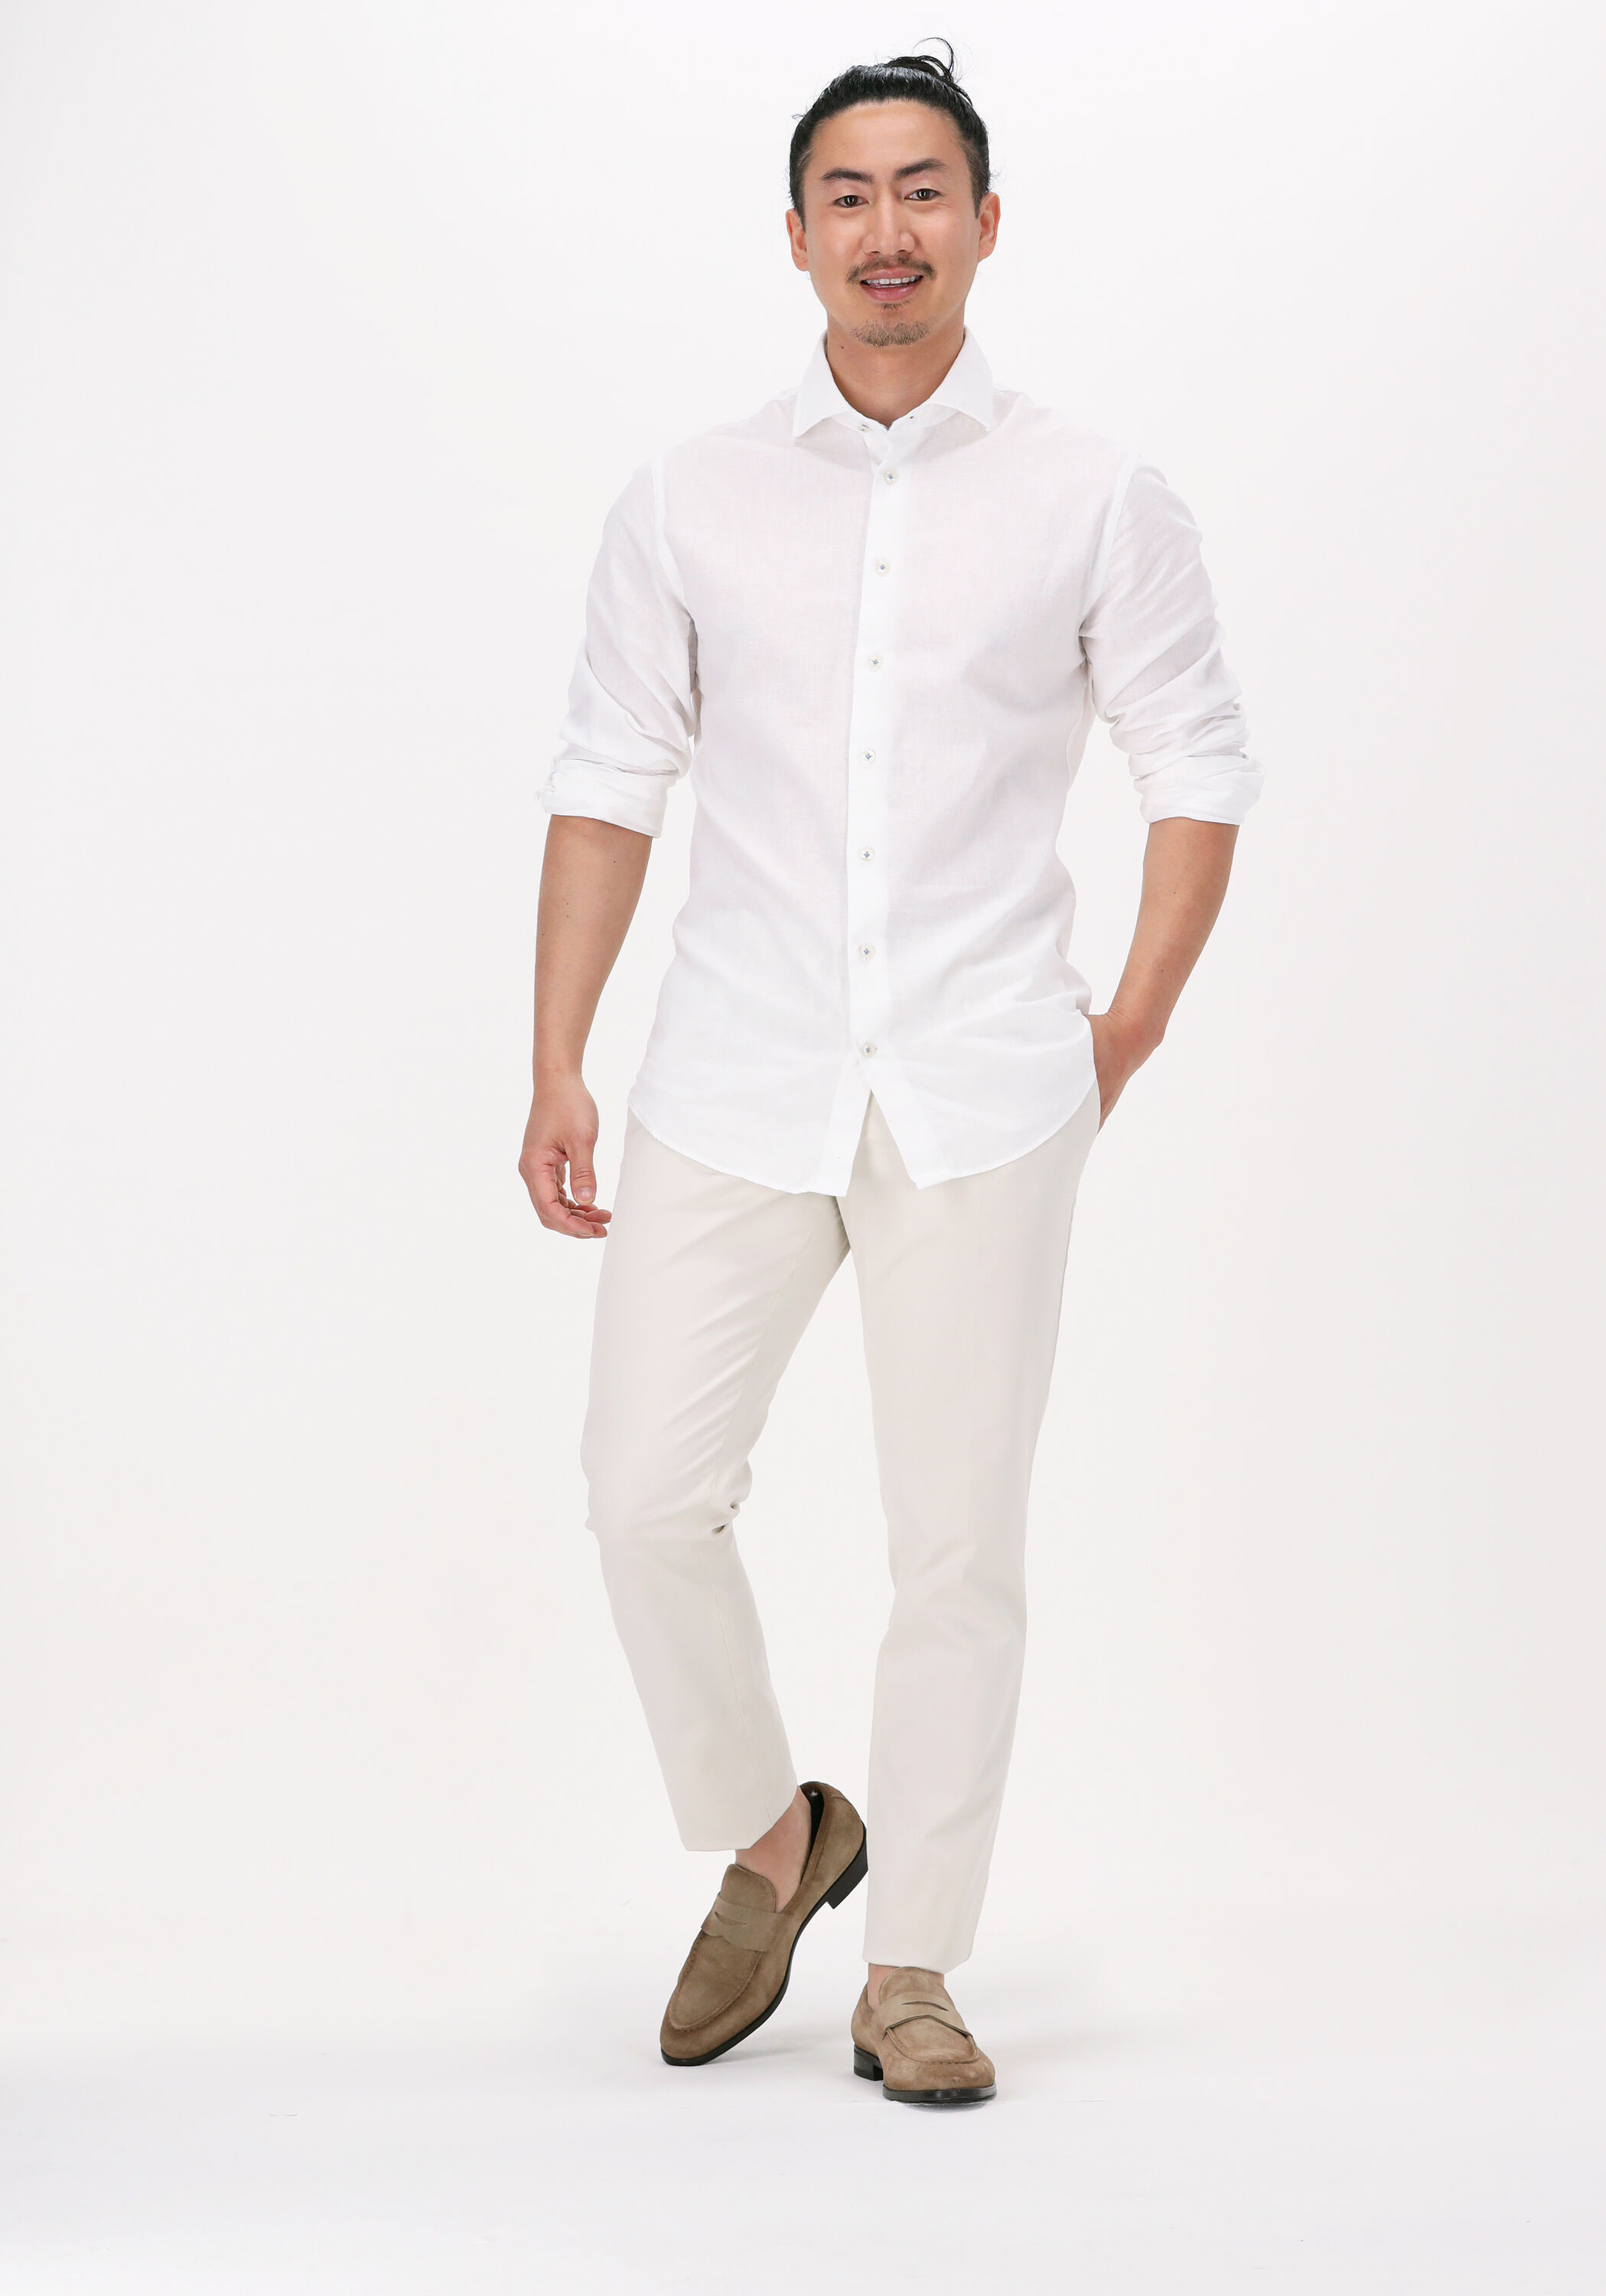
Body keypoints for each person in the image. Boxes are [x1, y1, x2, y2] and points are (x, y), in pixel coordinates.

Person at [520, 44, 1262, 2107]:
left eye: (923, 189)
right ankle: (780, 1835)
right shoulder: (688, 495)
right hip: (730, 1069)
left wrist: (1129, 1023)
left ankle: (912, 1962)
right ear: (794, 237)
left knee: (957, 1543)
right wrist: (555, 1056)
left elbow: (1197, 762)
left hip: (985, 1079)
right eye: (846, 195)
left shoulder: (1094, 491)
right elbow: (608, 774)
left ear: (986, 223)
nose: (886, 230)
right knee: (642, 1492)